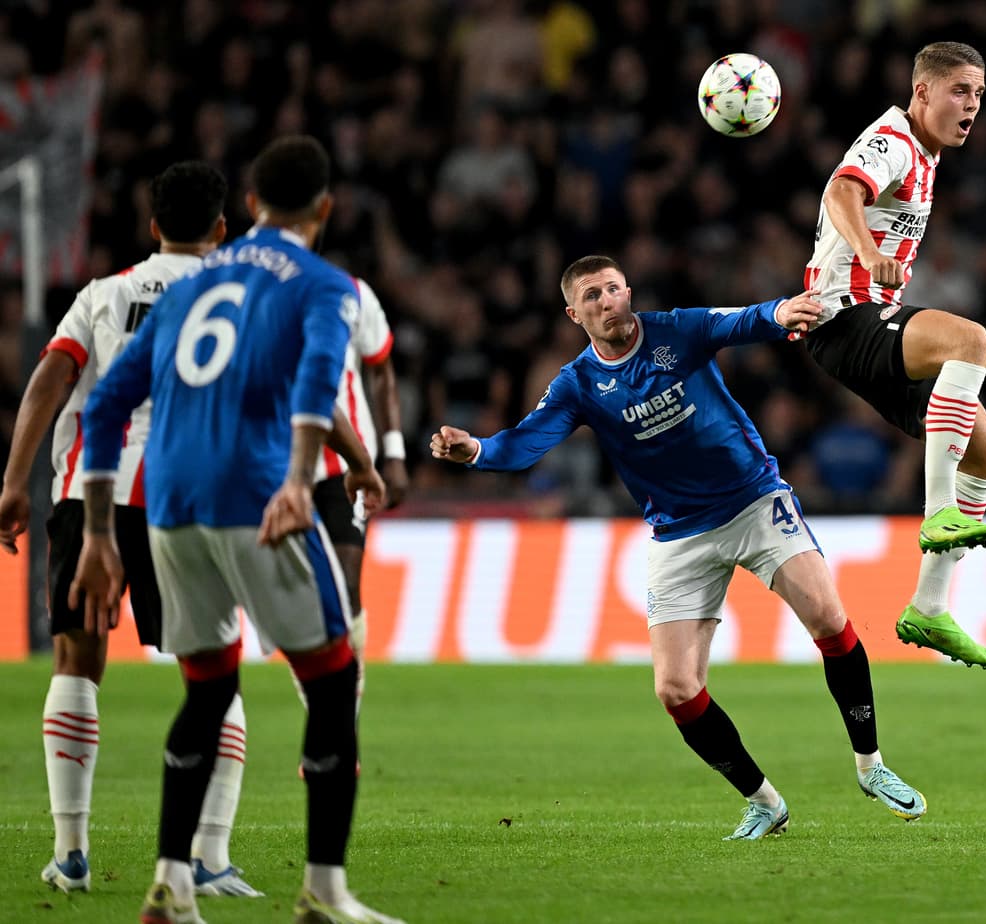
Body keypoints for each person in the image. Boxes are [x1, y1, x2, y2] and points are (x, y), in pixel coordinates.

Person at [432, 255, 927, 839]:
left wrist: (780, 312)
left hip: (752, 501)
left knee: (827, 616)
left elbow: (736, 322)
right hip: (677, 533)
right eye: (592, 296)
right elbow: (524, 442)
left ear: (628, 291)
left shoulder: (674, 330)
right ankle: (764, 801)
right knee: (676, 689)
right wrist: (477, 453)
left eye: (614, 289)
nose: (608, 301)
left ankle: (871, 766)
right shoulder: (578, 385)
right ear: (574, 314)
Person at [68, 135, 402, 924]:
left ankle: (171, 883)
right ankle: (324, 891)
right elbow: (322, 375)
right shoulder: (323, 284)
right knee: (331, 679)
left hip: (169, 505)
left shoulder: (193, 282)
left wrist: (95, 533)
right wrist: (301, 480)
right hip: (258, 496)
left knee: (207, 687)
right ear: (324, 209)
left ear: (249, 206)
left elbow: (108, 404)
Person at [0, 161, 262, 898]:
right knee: (213, 675)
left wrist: (15, 482)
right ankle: (209, 858)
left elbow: (49, 380)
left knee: (76, 661)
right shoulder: (238, 302)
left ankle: (71, 852)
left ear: (152, 227)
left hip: (92, 493)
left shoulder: (103, 295)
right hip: (190, 498)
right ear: (220, 230)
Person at [801, 41, 986, 668]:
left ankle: (929, 607)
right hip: (844, 316)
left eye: (978, 93)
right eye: (959, 91)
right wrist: (867, 253)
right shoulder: (892, 137)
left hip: (865, 325)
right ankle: (939, 509)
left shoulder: (928, 153)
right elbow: (842, 192)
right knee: (971, 340)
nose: (971, 103)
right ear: (922, 92)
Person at [311, 276, 408, 705]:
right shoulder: (255, 292)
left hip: (347, 462)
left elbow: (381, 368)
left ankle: (338, 722)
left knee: (346, 586)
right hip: (274, 464)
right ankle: (324, 707)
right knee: (303, 599)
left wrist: (395, 454)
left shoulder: (352, 292)